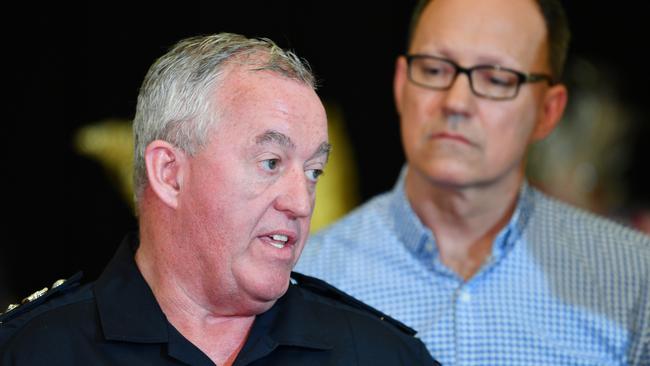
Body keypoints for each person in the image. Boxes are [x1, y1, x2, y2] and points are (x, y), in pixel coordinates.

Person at [0, 33, 439, 366]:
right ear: (170, 173)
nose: (301, 203)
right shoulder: (32, 350)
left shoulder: (380, 354)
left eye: (313, 172)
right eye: (270, 162)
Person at [296, 0, 650, 365]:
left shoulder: (633, 279)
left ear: (548, 110)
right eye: (434, 70)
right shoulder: (303, 277)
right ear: (401, 84)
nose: (457, 102)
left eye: (496, 79)